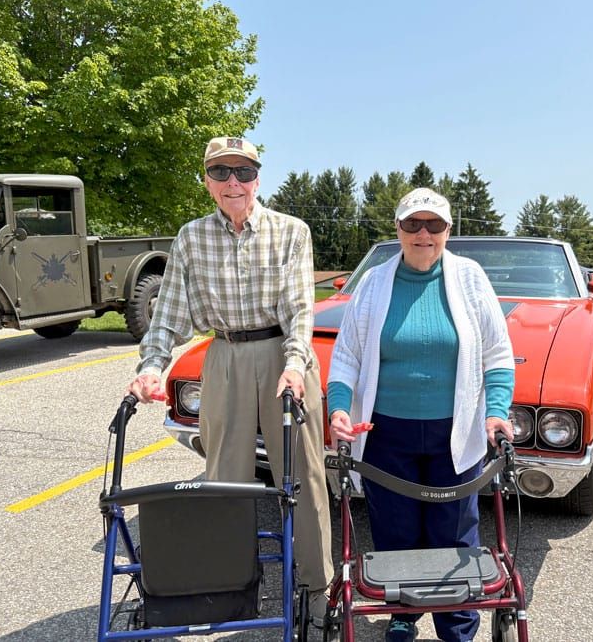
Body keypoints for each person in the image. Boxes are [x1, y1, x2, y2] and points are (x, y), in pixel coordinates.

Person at [127, 136, 333, 626]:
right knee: (224, 480)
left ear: (258, 179)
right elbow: (169, 312)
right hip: (224, 354)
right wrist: (152, 366)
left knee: (304, 477)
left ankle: (317, 589)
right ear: (207, 181)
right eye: (221, 172)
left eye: (243, 172)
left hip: (284, 352)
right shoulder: (191, 237)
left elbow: (300, 309)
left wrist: (295, 363)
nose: (233, 182)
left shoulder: (291, 231)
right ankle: (230, 587)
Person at [327, 188, 516, 642]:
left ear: (448, 230)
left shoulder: (470, 278)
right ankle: (402, 615)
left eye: (434, 224)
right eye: (413, 224)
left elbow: (497, 354)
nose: (423, 233)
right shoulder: (374, 282)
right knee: (396, 529)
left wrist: (495, 411)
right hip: (386, 432)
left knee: (454, 533)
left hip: (456, 433)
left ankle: (458, 626)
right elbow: (346, 356)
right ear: (398, 229)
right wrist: (338, 407)